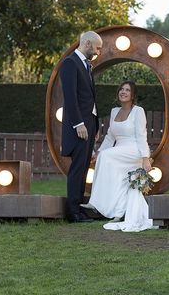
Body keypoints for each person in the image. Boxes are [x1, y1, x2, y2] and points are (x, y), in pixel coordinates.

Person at [86, 81, 156, 232]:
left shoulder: (138, 111)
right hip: (118, 150)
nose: (123, 92)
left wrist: (145, 157)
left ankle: (96, 202)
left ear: (133, 95)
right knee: (114, 173)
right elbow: (110, 136)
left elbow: (141, 136)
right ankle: (119, 211)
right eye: (121, 89)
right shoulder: (114, 111)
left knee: (106, 157)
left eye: (127, 90)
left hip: (134, 150)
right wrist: (98, 152)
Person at [60, 31, 103, 223]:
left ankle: (78, 208)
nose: (98, 52)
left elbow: (89, 98)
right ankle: (72, 212)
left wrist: (95, 123)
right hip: (79, 126)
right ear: (86, 43)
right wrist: (79, 123)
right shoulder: (70, 63)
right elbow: (70, 97)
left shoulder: (86, 65)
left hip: (89, 125)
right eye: (97, 47)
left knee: (84, 168)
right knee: (77, 168)